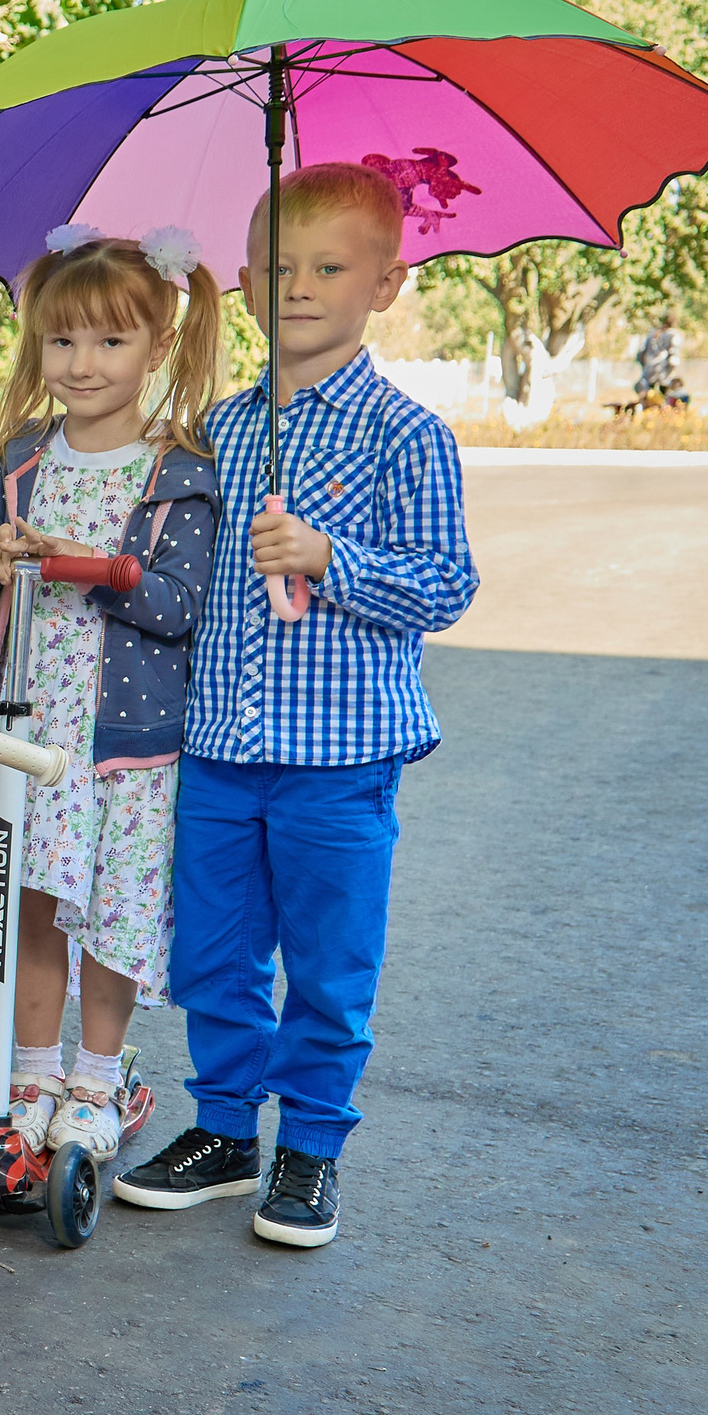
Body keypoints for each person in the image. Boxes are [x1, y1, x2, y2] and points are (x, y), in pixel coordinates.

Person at [112, 162, 477, 1248]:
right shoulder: (212, 433)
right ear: (243, 279)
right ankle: (224, 1130)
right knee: (214, 953)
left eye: (330, 266)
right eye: (278, 266)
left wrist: (332, 559)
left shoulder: (405, 435)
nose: (300, 285)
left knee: (327, 961)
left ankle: (311, 1147)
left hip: (340, 757)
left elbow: (445, 584)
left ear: (386, 284)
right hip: (218, 744)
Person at [0, 225, 225, 1164]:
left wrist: (98, 569)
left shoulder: (177, 471)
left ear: (158, 344)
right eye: (62, 341)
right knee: (35, 900)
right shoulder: (21, 460)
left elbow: (183, 604)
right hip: (25, 723)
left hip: (119, 744)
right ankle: (32, 1072)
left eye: (109, 341)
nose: (82, 362)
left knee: (105, 912)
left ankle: (96, 1081)